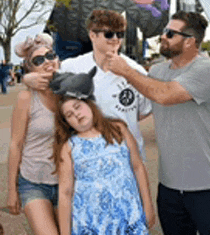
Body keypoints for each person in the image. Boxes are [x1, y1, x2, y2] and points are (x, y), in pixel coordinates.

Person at [105, 10, 210, 235]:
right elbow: (135, 106)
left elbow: (165, 95)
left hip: (209, 187)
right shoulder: (157, 71)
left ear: (190, 41)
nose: (162, 37)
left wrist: (126, 71)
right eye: (163, 32)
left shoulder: (208, 70)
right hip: (169, 188)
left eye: (170, 33)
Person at [23, 9, 152, 161]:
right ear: (92, 35)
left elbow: (144, 110)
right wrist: (27, 78)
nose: (116, 39)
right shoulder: (72, 67)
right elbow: (46, 80)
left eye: (120, 34)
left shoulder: (136, 71)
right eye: (109, 34)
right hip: (87, 159)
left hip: (128, 157)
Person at [49, 67, 155, 235]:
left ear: (89, 103)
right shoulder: (69, 147)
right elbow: (65, 193)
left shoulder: (117, 130)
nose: (76, 114)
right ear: (67, 123)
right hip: (90, 224)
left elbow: (138, 167)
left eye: (78, 107)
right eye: (69, 115)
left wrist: (147, 206)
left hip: (128, 217)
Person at [7, 33, 60, 235]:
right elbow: (15, 144)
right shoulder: (26, 98)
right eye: (39, 60)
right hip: (33, 183)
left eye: (50, 55)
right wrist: (12, 190)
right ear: (30, 68)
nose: (47, 62)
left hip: (66, 182)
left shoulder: (69, 92)